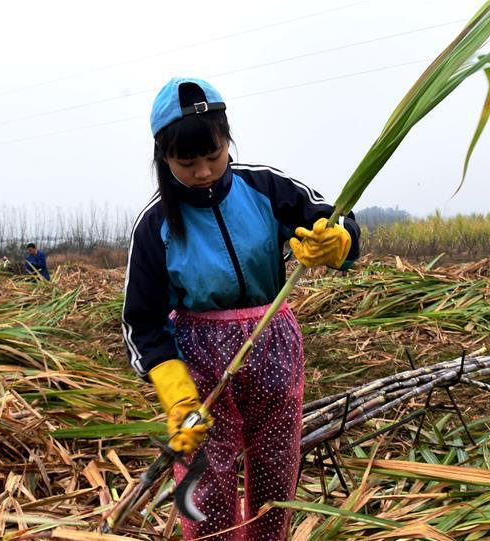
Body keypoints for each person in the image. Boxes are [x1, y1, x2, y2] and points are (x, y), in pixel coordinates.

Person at [121, 77, 361, 540]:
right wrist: (175, 390)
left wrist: (337, 242)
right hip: (201, 361)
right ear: (163, 157)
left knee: (275, 466)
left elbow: (334, 218)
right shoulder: (155, 226)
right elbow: (141, 321)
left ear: (227, 141)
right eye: (187, 163)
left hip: (272, 343)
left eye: (213, 156)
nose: (204, 172)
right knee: (206, 479)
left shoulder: (265, 187)